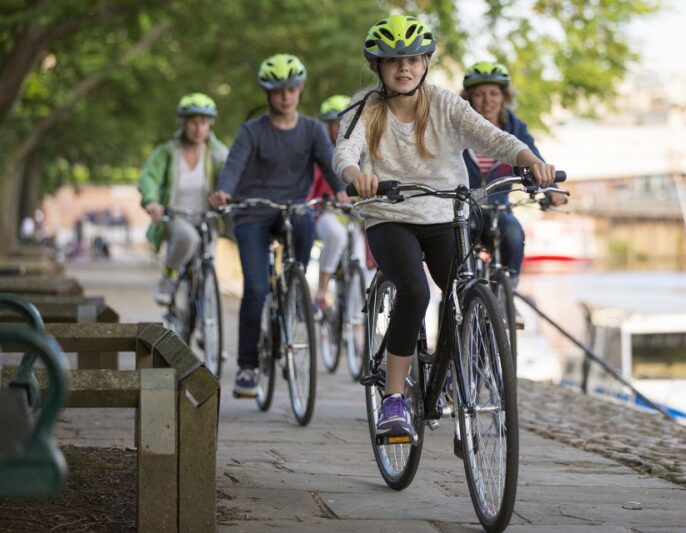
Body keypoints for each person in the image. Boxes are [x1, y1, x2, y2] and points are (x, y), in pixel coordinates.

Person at [333, 15, 556, 438]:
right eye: (394, 60)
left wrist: (530, 161)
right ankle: (394, 400)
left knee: (463, 295)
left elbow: (493, 137)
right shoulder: (365, 107)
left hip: (445, 215)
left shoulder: (444, 103)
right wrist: (353, 174)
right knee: (415, 291)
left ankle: (454, 378)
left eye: (413, 59)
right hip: (390, 215)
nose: (404, 68)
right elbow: (346, 149)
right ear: (377, 67)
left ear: (426, 63)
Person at [208, 53, 346, 398]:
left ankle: (295, 286)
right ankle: (247, 367)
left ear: (300, 90)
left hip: (292, 209)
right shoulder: (252, 131)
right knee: (255, 288)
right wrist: (225, 190)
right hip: (253, 212)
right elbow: (235, 164)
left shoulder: (313, 130)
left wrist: (343, 191)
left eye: (292, 89)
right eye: (278, 90)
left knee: (305, 222)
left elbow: (331, 167)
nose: (286, 96)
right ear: (268, 93)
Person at [462, 61, 567, 288]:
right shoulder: (458, 126)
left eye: (493, 93)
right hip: (463, 210)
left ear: (504, 96)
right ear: (469, 98)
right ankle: (457, 300)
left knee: (513, 233)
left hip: (498, 209)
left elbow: (535, 161)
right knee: (456, 256)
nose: (487, 100)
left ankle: (507, 294)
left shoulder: (515, 128)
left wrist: (552, 190)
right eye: (479, 94)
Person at [138, 93, 229, 305]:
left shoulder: (217, 152)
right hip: (176, 216)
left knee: (208, 264)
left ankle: (203, 318)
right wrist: (152, 201)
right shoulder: (167, 151)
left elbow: (230, 174)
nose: (199, 129)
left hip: (207, 217)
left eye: (204, 123)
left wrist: (226, 193)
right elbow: (149, 177)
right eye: (194, 123)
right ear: (184, 124)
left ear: (210, 126)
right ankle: (168, 277)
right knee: (189, 238)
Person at [308, 95, 365, 309]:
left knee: (360, 262)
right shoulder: (322, 152)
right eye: (336, 124)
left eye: (346, 124)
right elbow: (311, 187)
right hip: (326, 213)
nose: (341, 129)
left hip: (353, 215)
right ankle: (322, 290)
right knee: (336, 236)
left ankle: (356, 322)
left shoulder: (361, 151)